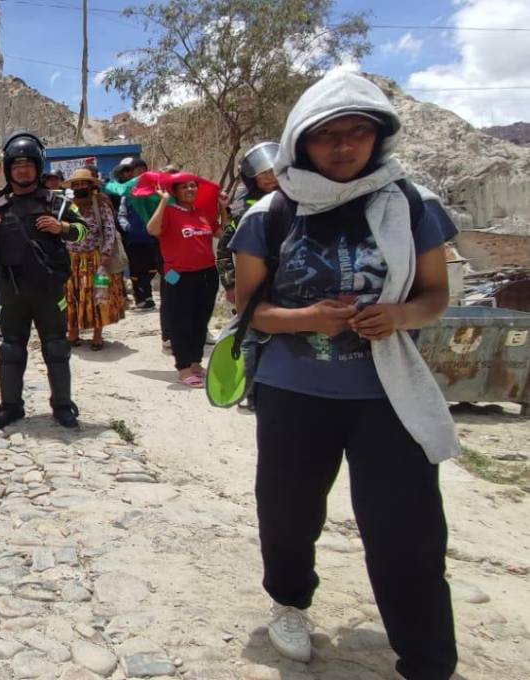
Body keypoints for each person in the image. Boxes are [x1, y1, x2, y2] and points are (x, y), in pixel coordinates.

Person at [229, 71, 459, 678]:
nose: (342, 147)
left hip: (388, 395)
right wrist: (308, 318)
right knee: (287, 512)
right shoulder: (270, 213)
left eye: (357, 132)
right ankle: (291, 603)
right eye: (326, 135)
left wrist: (400, 314)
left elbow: (435, 295)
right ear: (301, 142)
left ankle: (427, 657)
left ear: (377, 137)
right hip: (293, 393)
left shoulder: (413, 204)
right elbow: (248, 311)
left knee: (407, 530)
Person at [0, 130, 87, 429]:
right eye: (16, 166)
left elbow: (83, 231)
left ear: (37, 167)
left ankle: (62, 405)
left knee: (56, 348)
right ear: (9, 170)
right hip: (11, 290)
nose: (22, 170)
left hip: (49, 290)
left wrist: (61, 227)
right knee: (11, 349)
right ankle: (10, 406)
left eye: (28, 165)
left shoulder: (58, 203)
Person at [146, 172, 225, 388]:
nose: (190, 190)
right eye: (184, 187)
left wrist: (224, 208)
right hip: (178, 276)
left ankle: (195, 362)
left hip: (207, 273)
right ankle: (183, 368)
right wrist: (163, 202)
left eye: (193, 186)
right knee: (181, 321)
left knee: (201, 320)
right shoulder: (169, 212)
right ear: (175, 192)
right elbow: (152, 229)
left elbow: (224, 234)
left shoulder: (203, 214)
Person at [63, 168, 125, 350]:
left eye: (83, 183)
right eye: (76, 184)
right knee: (72, 295)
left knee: (98, 295)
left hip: (96, 259)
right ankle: (72, 332)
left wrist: (105, 254)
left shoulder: (101, 204)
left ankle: (97, 334)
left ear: (90, 185)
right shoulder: (68, 205)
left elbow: (109, 229)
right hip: (72, 260)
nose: (80, 186)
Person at [216, 141, 280, 303]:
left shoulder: (297, 199)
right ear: (251, 177)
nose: (270, 177)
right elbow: (223, 250)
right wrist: (230, 285)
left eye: (273, 170)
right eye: (263, 173)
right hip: (256, 283)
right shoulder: (241, 209)